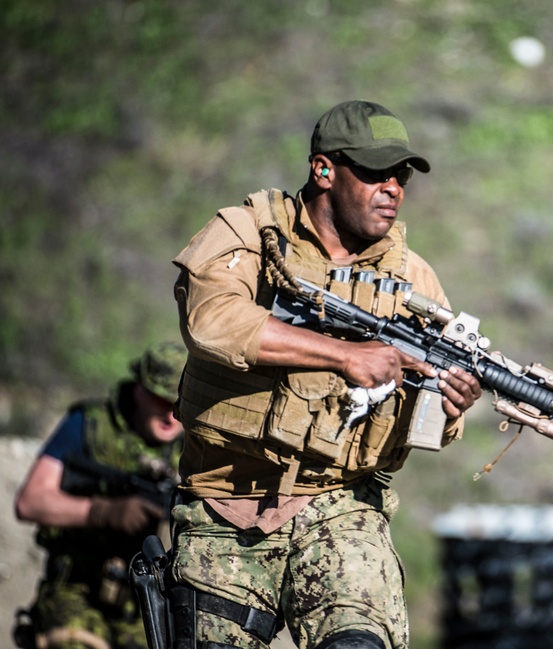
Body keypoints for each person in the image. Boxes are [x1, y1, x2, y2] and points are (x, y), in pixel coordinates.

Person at [169, 99, 483, 649]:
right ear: (323, 170)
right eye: (375, 172)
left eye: (401, 176)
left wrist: (451, 404)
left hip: (340, 507)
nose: (393, 188)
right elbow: (212, 321)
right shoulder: (247, 233)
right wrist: (343, 354)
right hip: (224, 503)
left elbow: (431, 422)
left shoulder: (413, 279)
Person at [13, 341, 187, 649]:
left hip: (148, 601)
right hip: (77, 591)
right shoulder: (90, 424)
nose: (171, 415)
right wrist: (102, 511)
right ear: (139, 390)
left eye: (181, 404)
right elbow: (30, 501)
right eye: (162, 400)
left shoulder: (195, 446)